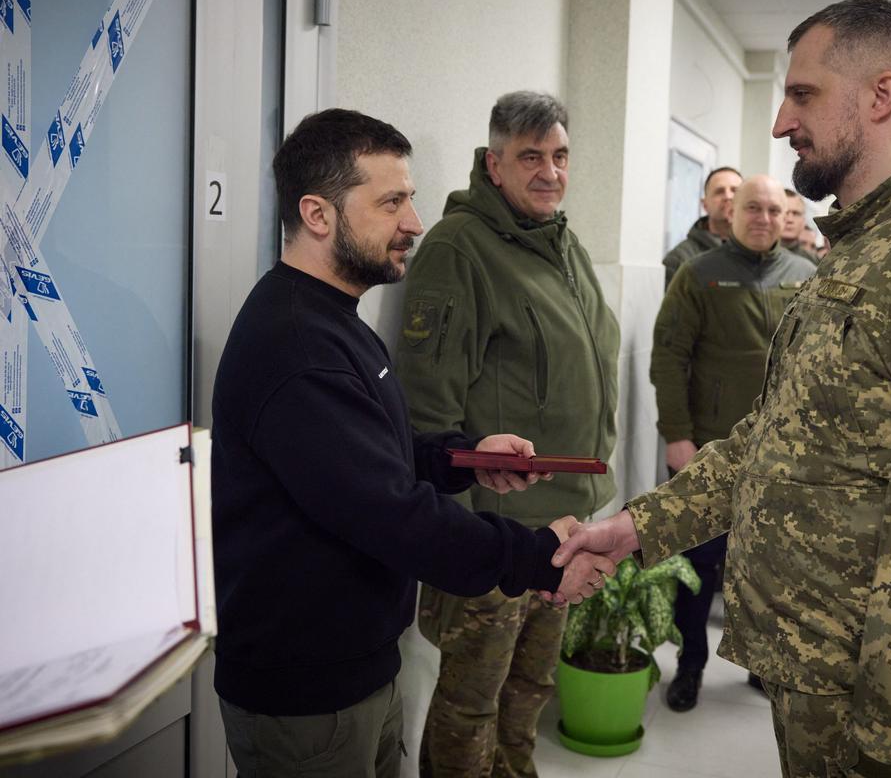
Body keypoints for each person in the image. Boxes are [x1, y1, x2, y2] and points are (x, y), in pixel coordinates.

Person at [551, 0, 891, 778]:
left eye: (803, 95)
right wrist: (642, 528)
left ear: (879, 96)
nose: (783, 121)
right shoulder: (861, 247)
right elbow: (775, 434)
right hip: (817, 667)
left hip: (878, 702)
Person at [210, 108, 613, 778]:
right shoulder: (296, 347)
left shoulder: (333, 319)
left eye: (411, 199)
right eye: (391, 202)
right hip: (308, 690)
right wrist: (539, 557)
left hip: (358, 664)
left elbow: (372, 459)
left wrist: (465, 459)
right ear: (318, 214)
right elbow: (390, 514)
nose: (414, 224)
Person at [396, 91, 619, 777]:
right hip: (491, 537)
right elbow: (428, 412)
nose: (549, 171)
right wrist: (456, 545)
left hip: (560, 524)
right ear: (494, 165)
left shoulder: (564, 245)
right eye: (530, 157)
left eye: (559, 156)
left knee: (529, 692)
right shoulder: (459, 250)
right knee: (471, 706)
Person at [650, 174, 814, 712]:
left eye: (772, 209)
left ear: (785, 214)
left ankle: (761, 667)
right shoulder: (700, 274)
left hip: (784, 456)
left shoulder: (807, 275)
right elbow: (669, 358)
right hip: (710, 452)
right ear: (732, 212)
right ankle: (690, 665)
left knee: (772, 569)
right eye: (753, 208)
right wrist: (677, 435)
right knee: (699, 570)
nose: (763, 218)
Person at [662, 166, 743, 288]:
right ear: (705, 205)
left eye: (735, 190)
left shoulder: (759, 252)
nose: (728, 196)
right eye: (719, 191)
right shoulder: (680, 259)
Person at [779, 188, 822, 265]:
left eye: (796, 213)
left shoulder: (814, 264)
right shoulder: (756, 255)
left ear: (803, 221)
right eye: (785, 212)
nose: (790, 219)